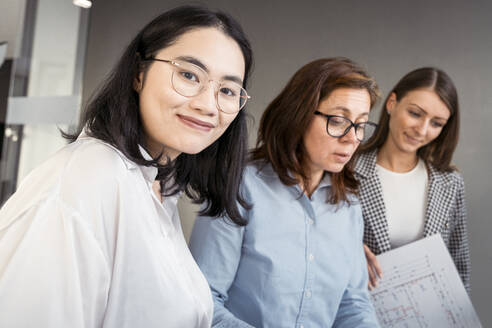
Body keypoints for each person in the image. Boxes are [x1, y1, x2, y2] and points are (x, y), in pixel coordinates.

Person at [0, 5, 253, 327]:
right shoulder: (85, 180)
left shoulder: (157, 186)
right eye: (189, 75)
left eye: (227, 91)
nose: (207, 104)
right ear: (138, 73)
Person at [190, 58, 381, 327]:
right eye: (339, 121)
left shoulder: (348, 207)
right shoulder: (239, 186)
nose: (352, 138)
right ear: (299, 116)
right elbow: (203, 301)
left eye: (360, 125)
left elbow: (354, 305)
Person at [354, 67, 470, 292]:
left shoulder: (450, 182)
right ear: (392, 103)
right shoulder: (346, 170)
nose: (422, 130)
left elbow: (459, 266)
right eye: (415, 113)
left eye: (436, 123)